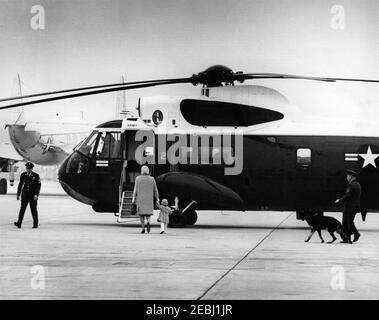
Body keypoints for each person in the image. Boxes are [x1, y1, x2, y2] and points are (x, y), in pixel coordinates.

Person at [335, 169, 361, 243]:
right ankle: (355, 234)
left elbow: (347, 195)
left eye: (348, 176)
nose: (347, 177)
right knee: (349, 222)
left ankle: (348, 238)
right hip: (355, 207)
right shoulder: (358, 184)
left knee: (346, 223)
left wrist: (339, 200)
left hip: (349, 207)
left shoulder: (351, 185)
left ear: (352, 177)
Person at [132, 165, 159, 233]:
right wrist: (157, 198)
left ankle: (143, 228)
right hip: (149, 199)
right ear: (148, 171)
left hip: (140, 199)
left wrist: (133, 197)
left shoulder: (138, 178)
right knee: (148, 213)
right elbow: (155, 189)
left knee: (141, 214)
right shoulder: (152, 179)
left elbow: (135, 189)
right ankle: (148, 222)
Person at [14, 162, 41, 229]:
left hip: (33, 195)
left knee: (33, 210)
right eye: (27, 168)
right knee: (22, 209)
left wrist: (36, 195)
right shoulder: (23, 175)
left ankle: (35, 224)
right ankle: (19, 223)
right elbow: (20, 185)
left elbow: (38, 186)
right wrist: (18, 194)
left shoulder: (36, 175)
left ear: (32, 169)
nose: (28, 169)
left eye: (30, 168)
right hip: (25, 195)